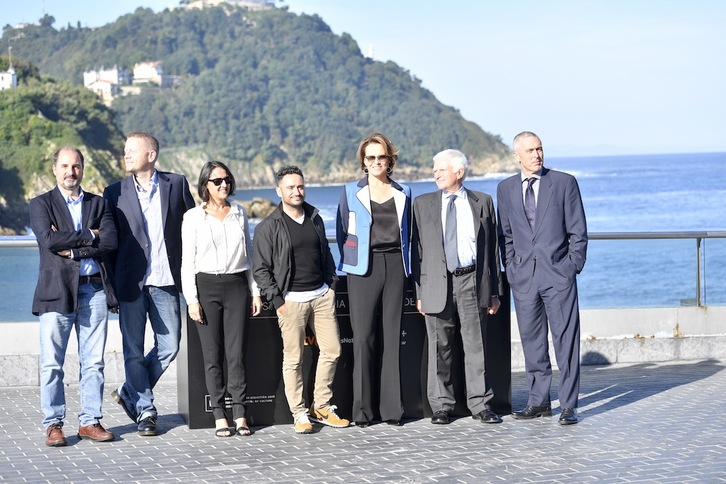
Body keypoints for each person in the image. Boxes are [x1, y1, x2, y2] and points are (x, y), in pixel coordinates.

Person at [103, 132, 195, 436]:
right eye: (125, 150)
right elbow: (110, 244)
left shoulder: (177, 184)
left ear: (151, 155)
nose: (126, 154)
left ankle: (130, 391)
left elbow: (192, 229)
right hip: (130, 282)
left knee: (170, 346)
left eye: (132, 150)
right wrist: (110, 289)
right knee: (132, 349)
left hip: (166, 281)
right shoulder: (113, 192)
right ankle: (145, 410)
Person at [496, 131, 588, 425]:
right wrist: (511, 268)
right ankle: (539, 402)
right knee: (532, 343)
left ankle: (569, 405)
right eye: (531, 150)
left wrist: (571, 266)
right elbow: (506, 235)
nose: (537, 155)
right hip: (523, 279)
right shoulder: (506, 188)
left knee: (566, 342)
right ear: (517, 156)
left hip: (558, 276)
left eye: (540, 149)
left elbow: (578, 231)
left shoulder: (563, 183)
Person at [30, 146, 118, 446]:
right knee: (52, 363)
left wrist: (77, 247)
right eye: (65, 166)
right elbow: (48, 240)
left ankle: (90, 421)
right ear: (55, 168)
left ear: (83, 168)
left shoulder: (99, 203)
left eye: (76, 166)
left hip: (93, 289)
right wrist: (88, 233)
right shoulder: (41, 204)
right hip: (56, 292)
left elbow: (109, 241)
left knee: (93, 362)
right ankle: (53, 423)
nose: (71, 172)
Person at [253, 165, 350, 434]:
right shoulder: (269, 226)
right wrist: (279, 301)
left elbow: (326, 254)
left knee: (332, 350)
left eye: (300, 186)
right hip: (291, 302)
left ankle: (321, 406)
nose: (297, 192)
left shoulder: (315, 217)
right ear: (279, 191)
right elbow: (260, 268)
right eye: (291, 187)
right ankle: (299, 413)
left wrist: (331, 285)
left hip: (321, 296)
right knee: (293, 359)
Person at [412, 149, 503, 425]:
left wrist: (494, 291)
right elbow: (417, 252)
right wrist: (419, 292)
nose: (435, 173)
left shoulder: (483, 202)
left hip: (472, 280)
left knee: (476, 346)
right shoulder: (422, 204)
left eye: (441, 169)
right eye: (434, 168)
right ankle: (441, 406)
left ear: (459, 172)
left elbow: (493, 251)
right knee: (440, 347)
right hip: (436, 284)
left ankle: (481, 405)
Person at [181, 161, 262, 437]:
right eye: (217, 181)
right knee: (212, 354)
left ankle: (240, 414)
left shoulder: (239, 213)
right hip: (206, 286)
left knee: (236, 354)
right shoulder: (192, 217)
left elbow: (249, 255)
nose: (224, 185)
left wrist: (255, 291)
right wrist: (192, 299)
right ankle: (219, 415)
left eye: (227, 179)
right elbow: (186, 262)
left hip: (237, 284)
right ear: (205, 184)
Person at [336, 133, 411, 427]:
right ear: (363, 161)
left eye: (382, 157)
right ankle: (363, 412)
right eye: (371, 157)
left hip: (395, 266)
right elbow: (343, 232)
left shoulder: (404, 191)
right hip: (362, 271)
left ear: (389, 160)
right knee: (364, 338)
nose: (377, 162)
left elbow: (409, 232)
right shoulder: (349, 191)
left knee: (392, 339)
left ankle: (392, 410)